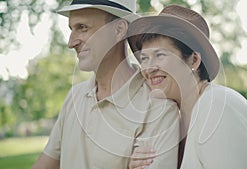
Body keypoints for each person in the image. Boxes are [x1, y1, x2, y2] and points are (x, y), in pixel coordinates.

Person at [127, 4, 247, 169]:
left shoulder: (217, 107)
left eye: (160, 55)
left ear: (194, 60)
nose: (149, 68)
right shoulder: (174, 123)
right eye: (144, 58)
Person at [31, 0, 180, 169]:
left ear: (119, 30)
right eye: (71, 29)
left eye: (82, 27)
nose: (71, 43)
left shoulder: (158, 109)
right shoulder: (74, 96)